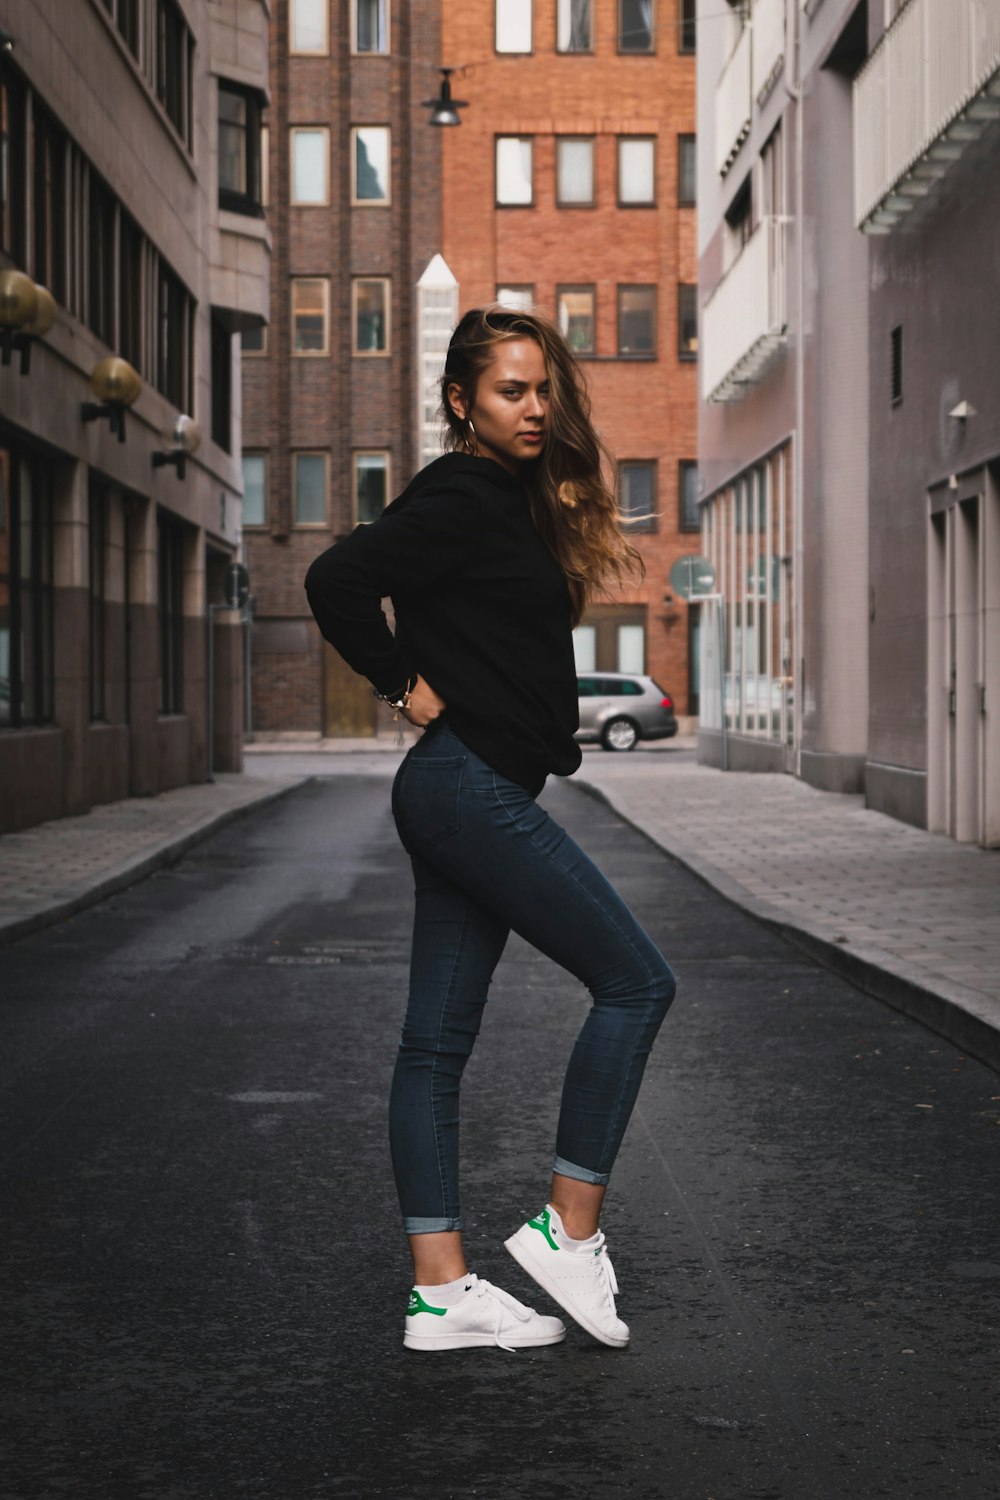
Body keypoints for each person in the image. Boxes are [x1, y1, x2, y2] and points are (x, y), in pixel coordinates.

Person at [305, 306, 676, 1354]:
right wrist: (401, 685)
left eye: (542, 388)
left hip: (466, 788)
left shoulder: (509, 500)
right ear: (461, 401)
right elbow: (335, 578)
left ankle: (440, 1293)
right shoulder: (465, 490)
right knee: (638, 981)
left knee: (434, 1043)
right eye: (511, 390)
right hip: (467, 788)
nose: (534, 406)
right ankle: (567, 1227)